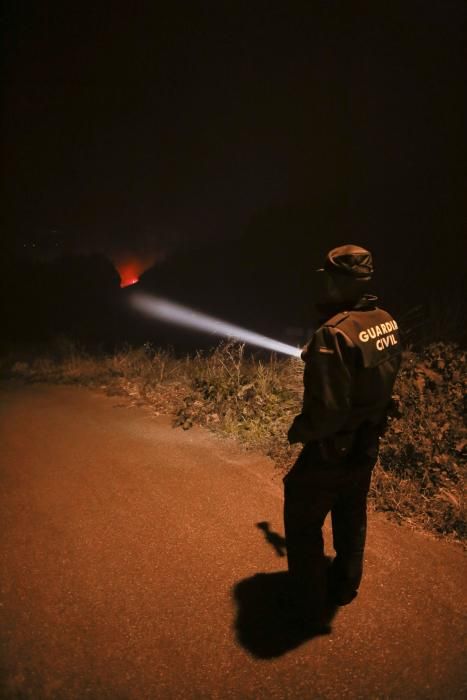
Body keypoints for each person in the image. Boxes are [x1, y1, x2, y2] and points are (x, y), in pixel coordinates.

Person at [284, 244, 402, 629]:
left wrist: (300, 431)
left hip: (334, 446)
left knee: (302, 516)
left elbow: (329, 412)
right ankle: (345, 586)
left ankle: (306, 603)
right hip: (368, 440)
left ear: (339, 281)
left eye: (328, 278)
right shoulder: (386, 320)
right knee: (352, 511)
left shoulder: (332, 334)